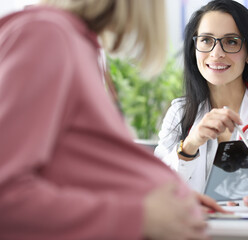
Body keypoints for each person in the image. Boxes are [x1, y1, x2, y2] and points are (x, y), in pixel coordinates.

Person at [0, 0, 225, 239]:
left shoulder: (78, 44)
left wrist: (155, 199)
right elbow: (6, 193)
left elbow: (71, 171)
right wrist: (141, 215)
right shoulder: (44, 36)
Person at [155, 0, 248, 208]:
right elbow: (155, 190)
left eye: (231, 42)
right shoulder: (179, 111)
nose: (216, 53)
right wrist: (190, 145)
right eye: (206, 40)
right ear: (194, 49)